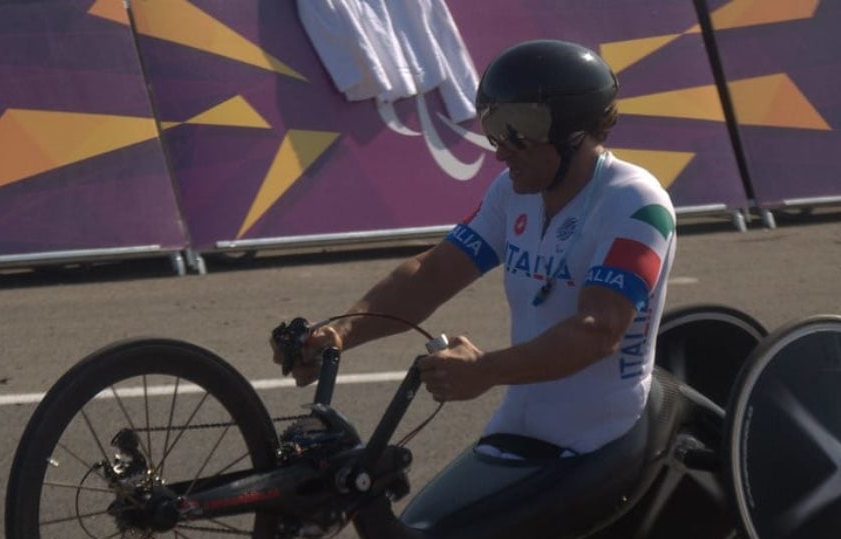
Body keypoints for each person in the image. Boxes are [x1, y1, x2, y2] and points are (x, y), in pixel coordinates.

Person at [275, 39, 677, 460]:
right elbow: (433, 274)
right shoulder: (513, 192)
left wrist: (485, 370)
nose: (499, 151)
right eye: (492, 130)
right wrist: (341, 332)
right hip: (518, 424)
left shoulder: (636, 203)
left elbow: (599, 331)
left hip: (600, 437)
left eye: (514, 133)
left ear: (571, 132)